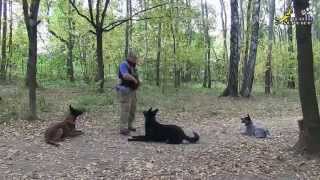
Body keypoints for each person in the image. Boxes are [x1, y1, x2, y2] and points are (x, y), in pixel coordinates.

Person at [116, 51, 140, 135]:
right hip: (124, 90)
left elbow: (136, 75)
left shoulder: (133, 66)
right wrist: (134, 79)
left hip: (132, 90)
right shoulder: (124, 64)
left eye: (136, 58)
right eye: (134, 58)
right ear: (129, 57)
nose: (135, 60)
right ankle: (123, 128)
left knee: (133, 108)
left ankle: (130, 125)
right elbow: (125, 75)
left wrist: (138, 82)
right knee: (125, 109)